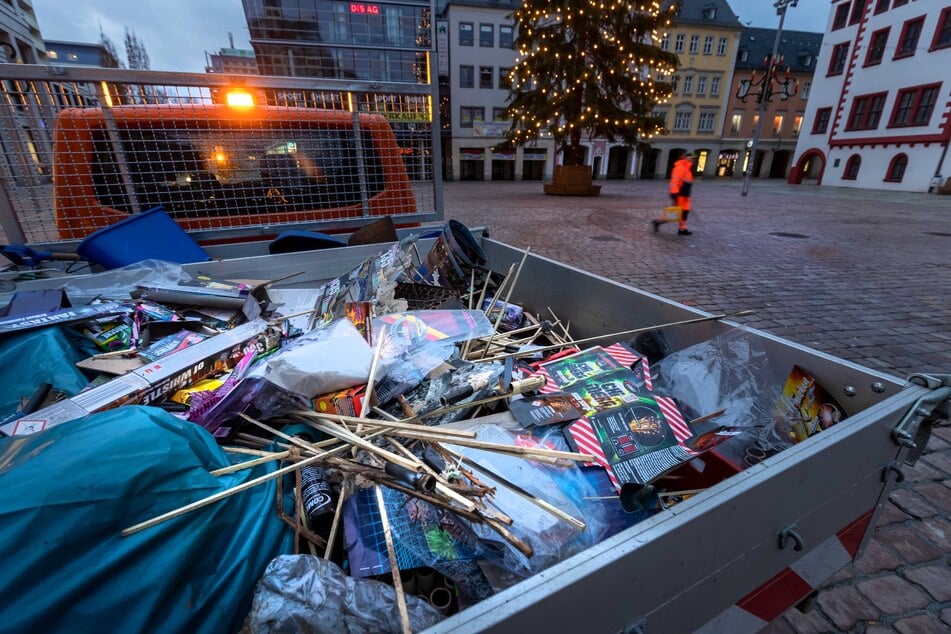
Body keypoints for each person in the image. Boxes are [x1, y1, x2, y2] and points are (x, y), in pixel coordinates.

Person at [653, 151, 696, 236]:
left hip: (685, 195)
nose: (693, 160)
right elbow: (674, 181)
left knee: (684, 212)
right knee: (673, 213)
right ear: (686, 157)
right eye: (692, 158)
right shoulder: (680, 167)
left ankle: (682, 229)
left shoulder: (687, 168)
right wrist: (674, 193)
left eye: (694, 158)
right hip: (679, 194)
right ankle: (658, 222)